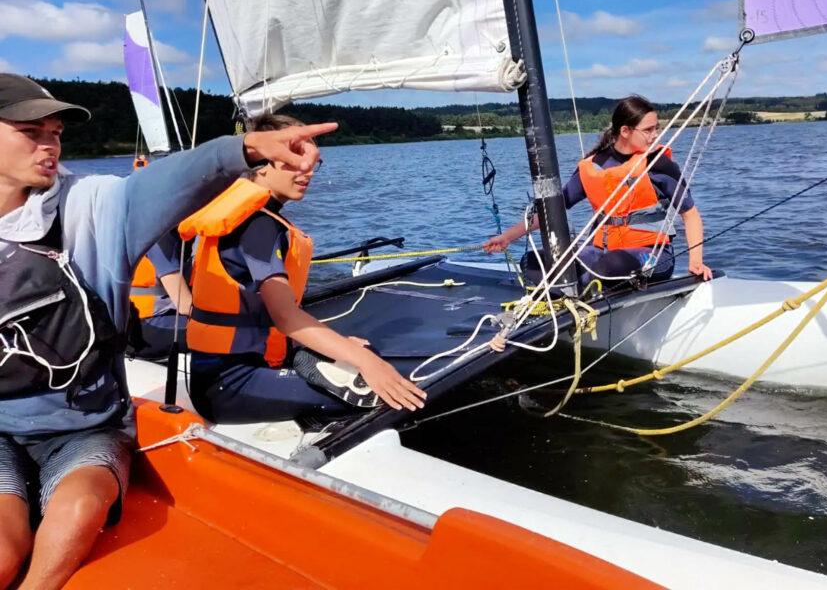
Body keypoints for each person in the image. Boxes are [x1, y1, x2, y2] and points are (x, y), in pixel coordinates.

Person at [0, 72, 336, 589]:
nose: (51, 143)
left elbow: (165, 184)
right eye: (31, 130)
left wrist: (242, 149)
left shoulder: (93, 206)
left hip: (86, 426)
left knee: (82, 505)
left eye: (56, 132)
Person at [185, 113, 426, 425]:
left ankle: (304, 362)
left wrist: (341, 347)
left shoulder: (258, 218)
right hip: (229, 384)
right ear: (262, 161)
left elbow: (268, 316)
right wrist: (365, 362)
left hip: (253, 365)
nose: (307, 169)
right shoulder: (256, 226)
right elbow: (286, 317)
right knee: (383, 396)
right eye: (294, 156)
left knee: (364, 355)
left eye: (314, 161)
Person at [483, 95, 712, 286]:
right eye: (649, 130)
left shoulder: (658, 164)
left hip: (652, 255)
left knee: (610, 265)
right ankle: (571, 301)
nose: (655, 135)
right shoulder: (592, 166)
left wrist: (695, 261)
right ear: (625, 130)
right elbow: (552, 212)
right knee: (533, 262)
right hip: (601, 252)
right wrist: (507, 238)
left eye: (656, 129)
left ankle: (588, 290)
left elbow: (690, 214)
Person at [127, 228, 192, 361]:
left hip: (134, 325)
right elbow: (186, 306)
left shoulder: (145, 229)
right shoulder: (161, 240)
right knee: (226, 334)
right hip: (147, 327)